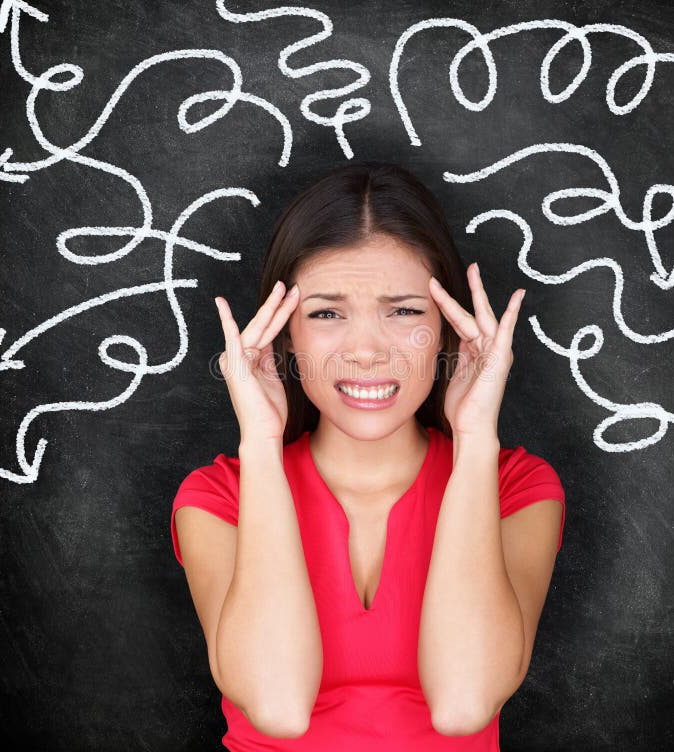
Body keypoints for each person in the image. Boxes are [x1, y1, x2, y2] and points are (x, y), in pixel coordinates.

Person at [170, 161, 566, 751]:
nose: (365, 351)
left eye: (404, 311)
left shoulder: (517, 488)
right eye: (326, 314)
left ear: (447, 332)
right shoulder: (217, 499)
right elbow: (277, 707)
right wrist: (259, 440)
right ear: (284, 338)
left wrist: (476, 436)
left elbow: (465, 703)